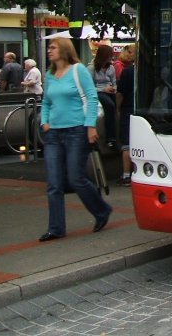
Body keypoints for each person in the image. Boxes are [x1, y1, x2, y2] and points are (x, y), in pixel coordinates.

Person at [39, 37, 112, 241]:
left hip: (76, 131)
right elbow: (45, 102)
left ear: (64, 49)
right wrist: (44, 122)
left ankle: (101, 210)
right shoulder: (50, 74)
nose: (49, 51)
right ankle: (56, 228)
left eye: (53, 47)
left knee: (76, 178)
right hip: (53, 133)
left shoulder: (78, 70)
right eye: (49, 48)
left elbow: (91, 98)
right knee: (54, 183)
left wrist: (90, 127)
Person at [88, 44, 117, 149]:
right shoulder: (91, 68)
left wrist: (114, 88)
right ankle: (110, 137)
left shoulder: (111, 68)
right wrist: (103, 89)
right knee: (110, 105)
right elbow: (89, 86)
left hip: (109, 91)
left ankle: (115, 134)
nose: (111, 58)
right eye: (109, 55)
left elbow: (114, 81)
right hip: (98, 91)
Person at [115, 62, 134, 186]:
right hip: (144, 110)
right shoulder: (150, 70)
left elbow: (120, 93)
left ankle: (126, 175)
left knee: (126, 143)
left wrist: (117, 109)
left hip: (127, 109)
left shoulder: (127, 71)